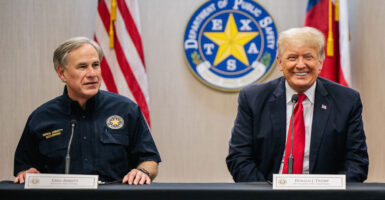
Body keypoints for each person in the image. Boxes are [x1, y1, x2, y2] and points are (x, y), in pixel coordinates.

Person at [226, 27, 368, 182]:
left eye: (308, 57)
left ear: (320, 62)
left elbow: (356, 163)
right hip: (267, 192)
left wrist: (328, 192)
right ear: (280, 62)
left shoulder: (347, 100)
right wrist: (265, 194)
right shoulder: (253, 98)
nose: (300, 65)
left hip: (324, 195)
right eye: (292, 58)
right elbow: (239, 158)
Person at [14, 37, 161, 185]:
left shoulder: (126, 109)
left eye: (96, 65)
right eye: (82, 66)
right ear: (61, 73)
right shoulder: (41, 118)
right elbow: (24, 167)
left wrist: (142, 171)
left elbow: (150, 160)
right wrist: (26, 173)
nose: (92, 73)